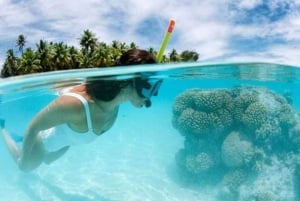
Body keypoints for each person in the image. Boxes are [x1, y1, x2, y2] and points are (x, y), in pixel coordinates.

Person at [0, 49, 162, 172]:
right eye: (149, 87)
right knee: (26, 168)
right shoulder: (77, 105)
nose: (151, 97)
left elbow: (74, 137)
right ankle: (2, 128)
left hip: (59, 144)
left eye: (156, 87)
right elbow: (33, 127)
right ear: (129, 81)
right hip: (43, 142)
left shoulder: (115, 104)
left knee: (47, 159)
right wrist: (24, 160)